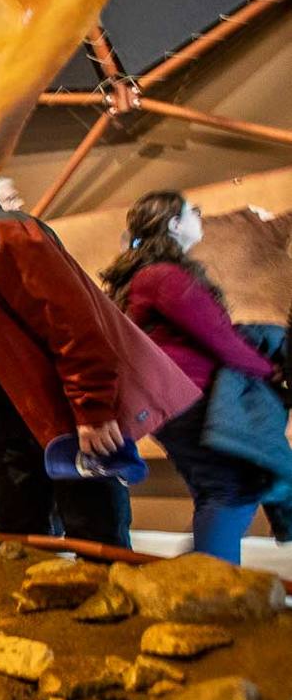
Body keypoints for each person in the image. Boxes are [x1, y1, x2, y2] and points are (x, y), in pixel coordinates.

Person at [0, 197, 199, 547]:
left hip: (67, 428)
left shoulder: (5, 237)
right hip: (6, 440)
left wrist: (92, 409)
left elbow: (75, 328)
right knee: (16, 552)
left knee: (97, 541)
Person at [100, 190, 286, 561]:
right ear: (173, 224)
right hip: (191, 402)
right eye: (193, 212)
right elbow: (218, 336)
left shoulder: (141, 276)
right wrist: (269, 369)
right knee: (230, 490)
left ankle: (202, 581)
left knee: (219, 490)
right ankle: (208, 587)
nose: (200, 217)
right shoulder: (162, 277)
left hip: (172, 404)